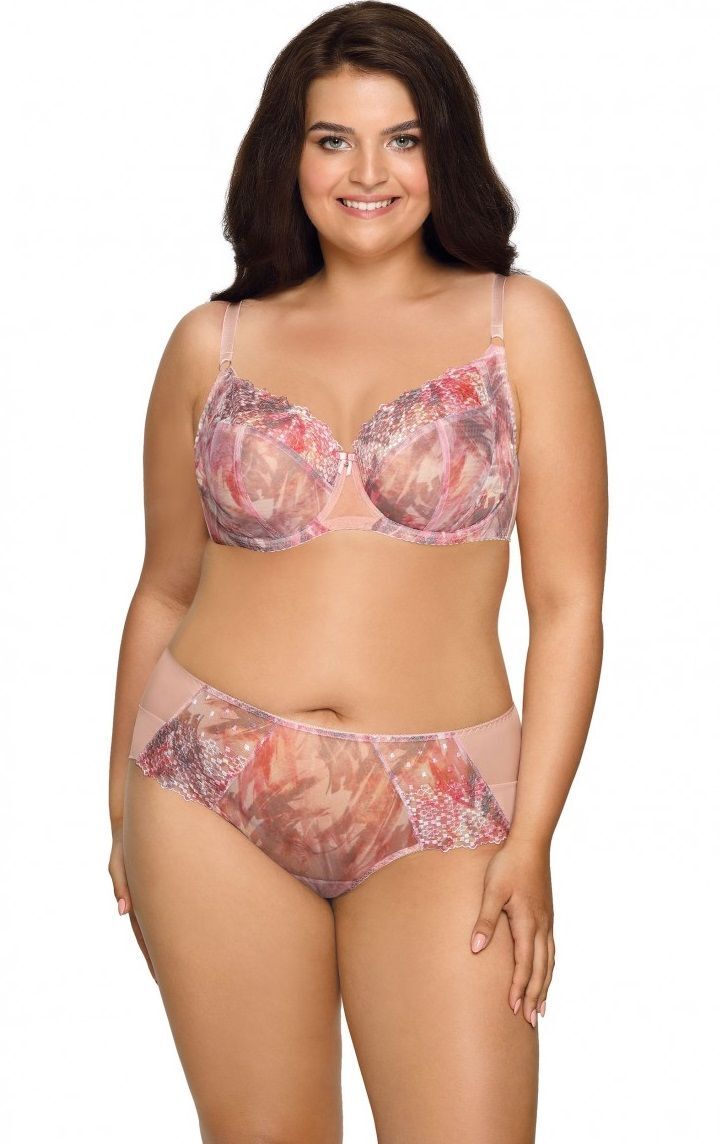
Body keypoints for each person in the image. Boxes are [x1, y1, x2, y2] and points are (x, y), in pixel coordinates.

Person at [107, 3, 608, 1141]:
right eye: (333, 139)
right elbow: (164, 588)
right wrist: (116, 798)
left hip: (444, 798)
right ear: (288, 156)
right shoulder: (211, 342)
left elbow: (570, 603)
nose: (368, 173)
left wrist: (533, 836)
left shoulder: (519, 325)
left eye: (403, 138)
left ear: (446, 151)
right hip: (208, 780)